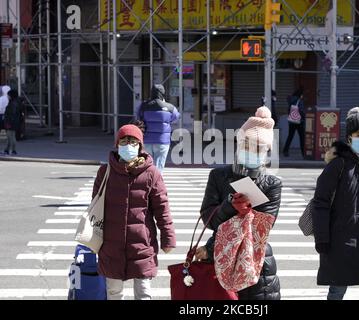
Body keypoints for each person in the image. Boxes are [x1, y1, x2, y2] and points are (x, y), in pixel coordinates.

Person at [195, 106, 282, 300]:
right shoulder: (218, 176)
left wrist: (244, 213)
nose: (253, 151)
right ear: (239, 144)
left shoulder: (272, 184)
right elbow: (209, 219)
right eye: (248, 145)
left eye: (259, 148)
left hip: (257, 262)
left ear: (266, 151)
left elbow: (262, 228)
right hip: (219, 256)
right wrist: (229, 207)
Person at [92, 124, 176, 300]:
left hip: (142, 244)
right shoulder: (105, 172)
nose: (128, 145)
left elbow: (162, 208)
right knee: (114, 293)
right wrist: (93, 238)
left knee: (143, 293)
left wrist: (168, 238)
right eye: (124, 141)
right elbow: (95, 207)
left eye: (133, 142)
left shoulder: (151, 173)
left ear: (140, 146)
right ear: (117, 145)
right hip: (111, 244)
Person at [312, 107, 359, 300]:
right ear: (350, 138)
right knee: (337, 291)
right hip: (340, 243)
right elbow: (320, 203)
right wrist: (322, 238)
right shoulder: (338, 165)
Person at [138, 84, 180, 172]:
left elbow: (138, 117)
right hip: (162, 141)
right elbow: (175, 118)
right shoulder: (170, 107)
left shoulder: (143, 106)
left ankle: (145, 183)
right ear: (163, 93)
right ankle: (155, 184)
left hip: (146, 140)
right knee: (158, 168)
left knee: (146, 166)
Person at [283, 88, 306, 158]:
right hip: (299, 122)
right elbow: (301, 110)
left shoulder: (291, 100)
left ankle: (285, 151)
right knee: (302, 137)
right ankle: (303, 153)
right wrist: (304, 116)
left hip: (292, 121)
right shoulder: (299, 101)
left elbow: (289, 109)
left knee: (290, 136)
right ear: (300, 94)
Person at [3, 89, 23, 155]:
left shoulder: (12, 104)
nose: (7, 96)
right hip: (14, 123)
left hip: (11, 123)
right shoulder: (16, 103)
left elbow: (11, 115)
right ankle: (7, 150)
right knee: (11, 137)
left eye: (8, 95)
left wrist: (8, 123)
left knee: (11, 137)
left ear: (11, 96)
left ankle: (13, 150)